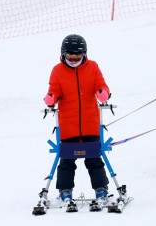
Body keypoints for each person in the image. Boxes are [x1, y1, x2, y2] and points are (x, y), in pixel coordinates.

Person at [43, 34, 111, 203]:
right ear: (63, 54)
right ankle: (65, 190)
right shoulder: (57, 70)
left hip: (90, 123)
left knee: (94, 158)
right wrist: (51, 97)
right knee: (66, 160)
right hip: (68, 125)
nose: (73, 60)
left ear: (84, 54)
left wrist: (103, 92)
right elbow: (54, 89)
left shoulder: (92, 67)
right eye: (69, 56)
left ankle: (101, 189)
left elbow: (101, 85)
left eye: (77, 57)